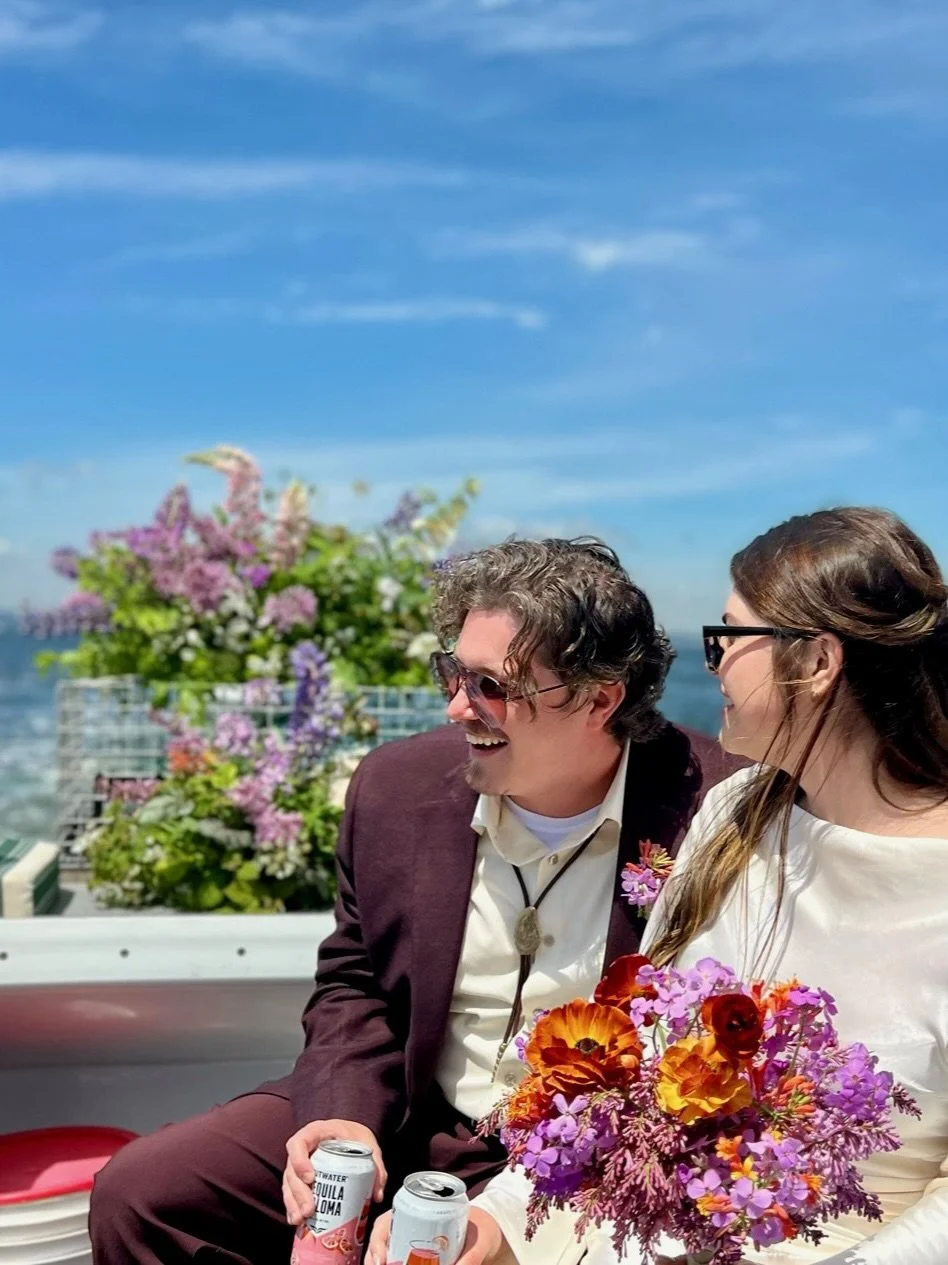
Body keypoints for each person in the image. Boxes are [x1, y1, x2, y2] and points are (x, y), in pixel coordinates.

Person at [89, 537, 740, 1265]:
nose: (458, 706)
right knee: (145, 1194)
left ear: (599, 697)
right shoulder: (396, 785)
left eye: (492, 685)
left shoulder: (721, 809)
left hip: (586, 1158)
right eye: (451, 672)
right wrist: (341, 1114)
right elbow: (355, 979)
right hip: (404, 1113)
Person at [374, 507, 948, 1265]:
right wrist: (500, 1218)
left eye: (728, 636)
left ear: (816, 662)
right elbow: (640, 1059)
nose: (709, 663)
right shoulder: (733, 816)